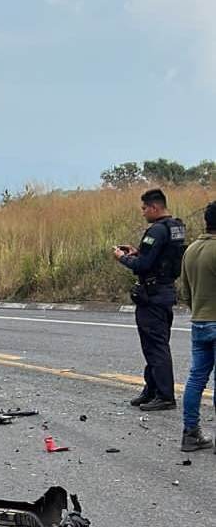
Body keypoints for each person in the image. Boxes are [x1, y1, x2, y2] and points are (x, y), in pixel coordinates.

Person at [113, 188, 186, 411]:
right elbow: (159, 258)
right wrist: (138, 252)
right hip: (165, 291)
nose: (143, 213)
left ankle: (164, 395)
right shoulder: (176, 227)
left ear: (155, 207)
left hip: (153, 295)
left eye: (144, 208)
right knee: (153, 345)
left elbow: (143, 265)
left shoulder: (156, 230)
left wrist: (123, 258)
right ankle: (152, 389)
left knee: (155, 346)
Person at [178, 201, 216, 452]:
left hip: (199, 322)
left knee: (196, 379)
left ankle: (190, 433)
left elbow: (185, 293)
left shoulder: (190, 250)